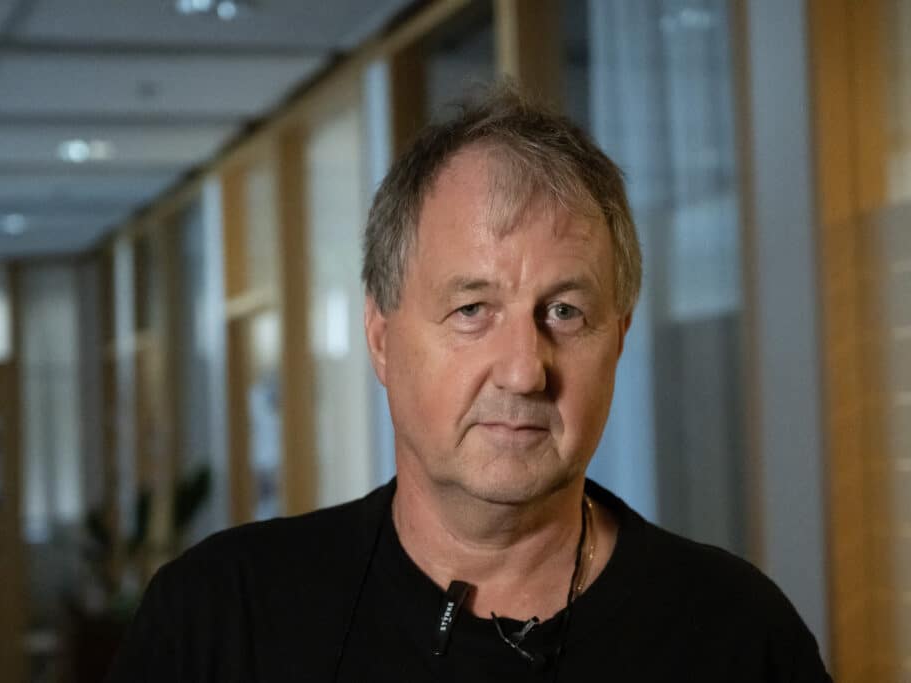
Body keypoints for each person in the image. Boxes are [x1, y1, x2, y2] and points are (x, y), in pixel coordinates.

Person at [106, 84, 832, 682]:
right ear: (381, 338)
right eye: (472, 309)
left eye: (565, 311)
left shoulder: (738, 636)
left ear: (618, 339)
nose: (524, 369)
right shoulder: (220, 619)